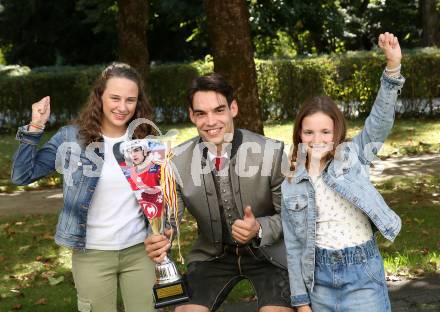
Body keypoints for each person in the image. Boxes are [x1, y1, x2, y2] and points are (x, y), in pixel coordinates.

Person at [11, 63, 157, 312]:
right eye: (115, 98)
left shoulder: (145, 141)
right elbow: (22, 175)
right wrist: (35, 126)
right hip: (92, 254)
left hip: (140, 252)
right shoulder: (71, 138)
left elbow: (162, 197)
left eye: (130, 100)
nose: (122, 107)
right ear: (99, 96)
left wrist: (165, 231)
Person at [145, 73, 293, 312]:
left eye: (219, 110)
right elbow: (170, 218)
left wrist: (259, 228)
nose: (210, 121)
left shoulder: (271, 152)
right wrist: (161, 237)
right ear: (192, 116)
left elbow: (290, 217)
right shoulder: (176, 162)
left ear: (233, 108)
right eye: (201, 113)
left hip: (269, 255)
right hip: (212, 255)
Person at [281, 32, 405, 312]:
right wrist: (301, 303)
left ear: (337, 131)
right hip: (319, 280)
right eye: (309, 131)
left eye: (325, 131)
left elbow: (380, 121)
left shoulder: (352, 155)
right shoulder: (292, 182)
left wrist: (393, 68)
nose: (317, 139)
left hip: (362, 273)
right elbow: (294, 247)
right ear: (299, 133)